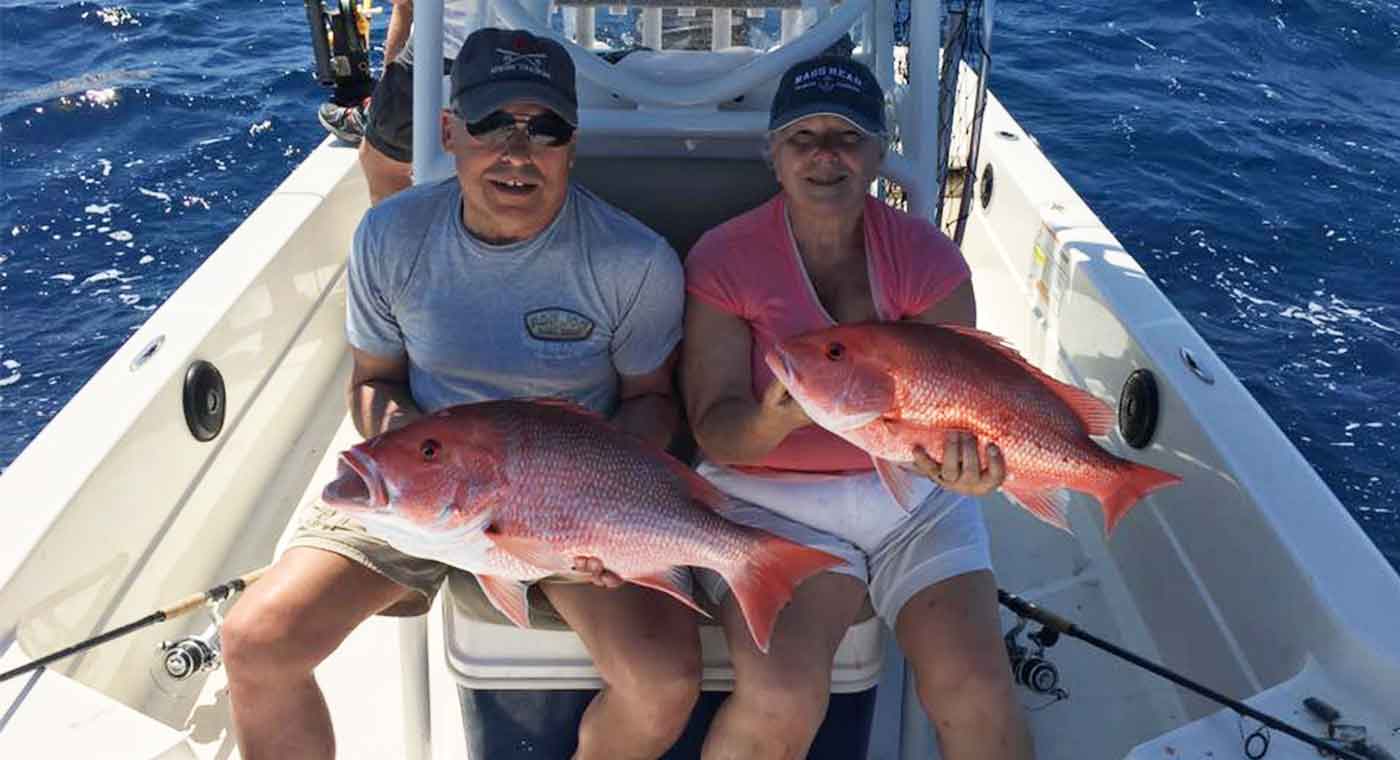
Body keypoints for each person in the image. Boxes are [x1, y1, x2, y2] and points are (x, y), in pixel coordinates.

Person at [222, 27, 701, 760]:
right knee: (255, 640)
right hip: (419, 484)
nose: (517, 151)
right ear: (448, 132)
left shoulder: (633, 262)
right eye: (489, 125)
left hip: (555, 503)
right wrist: (424, 460)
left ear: (572, 145)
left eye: (544, 129)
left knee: (663, 681)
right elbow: (374, 381)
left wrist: (601, 506)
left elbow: (651, 400)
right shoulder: (390, 235)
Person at [682, 55, 1035, 759]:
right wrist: (777, 418)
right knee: (781, 697)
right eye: (802, 138)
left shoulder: (927, 260)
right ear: (774, 155)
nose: (824, 155)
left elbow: (966, 401)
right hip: (769, 503)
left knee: (976, 689)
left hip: (914, 503)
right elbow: (718, 432)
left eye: (846, 137)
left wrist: (968, 469)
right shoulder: (724, 259)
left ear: (876, 152)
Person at [354, 0, 475, 203]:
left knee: (381, 165)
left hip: (440, 54)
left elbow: (402, 2)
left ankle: (399, 232)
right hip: (524, 56)